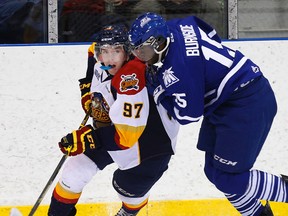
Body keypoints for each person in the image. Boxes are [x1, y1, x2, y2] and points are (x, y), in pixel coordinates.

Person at [128, 12, 288, 216]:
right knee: (213, 171)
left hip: (246, 103)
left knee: (227, 178)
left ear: (158, 43)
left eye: (143, 51)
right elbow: (208, 31)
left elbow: (188, 116)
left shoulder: (178, 70)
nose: (140, 57)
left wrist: (159, 91)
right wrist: (205, 70)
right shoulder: (177, 25)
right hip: (229, 99)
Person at [47, 24, 179, 216]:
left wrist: (86, 139)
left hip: (148, 149)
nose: (108, 58)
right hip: (115, 131)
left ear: (127, 52)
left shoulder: (131, 82)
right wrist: (88, 92)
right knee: (74, 172)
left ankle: (129, 211)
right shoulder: (100, 55)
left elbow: (126, 138)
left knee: (125, 189)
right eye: (105, 52)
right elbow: (92, 54)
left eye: (116, 51)